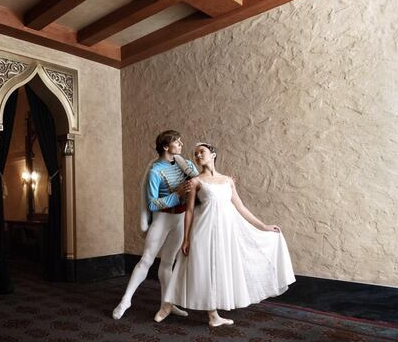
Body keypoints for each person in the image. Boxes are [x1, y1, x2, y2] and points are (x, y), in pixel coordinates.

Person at [158, 143, 295, 327]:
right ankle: (168, 305)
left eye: (202, 152)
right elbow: (189, 211)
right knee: (199, 268)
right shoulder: (196, 182)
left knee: (219, 269)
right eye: (196, 154)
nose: (198, 156)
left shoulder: (228, 181)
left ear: (213, 154)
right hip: (202, 231)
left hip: (224, 233)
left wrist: (263, 226)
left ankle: (213, 315)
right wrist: (186, 238)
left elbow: (240, 207)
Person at [112, 130, 199, 320]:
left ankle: (166, 304)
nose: (181, 144)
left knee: (168, 262)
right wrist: (176, 195)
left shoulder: (186, 165)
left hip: (181, 219)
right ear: (166, 147)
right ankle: (126, 300)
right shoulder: (155, 171)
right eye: (177, 142)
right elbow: (152, 203)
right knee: (146, 261)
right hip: (162, 219)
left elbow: (200, 183)